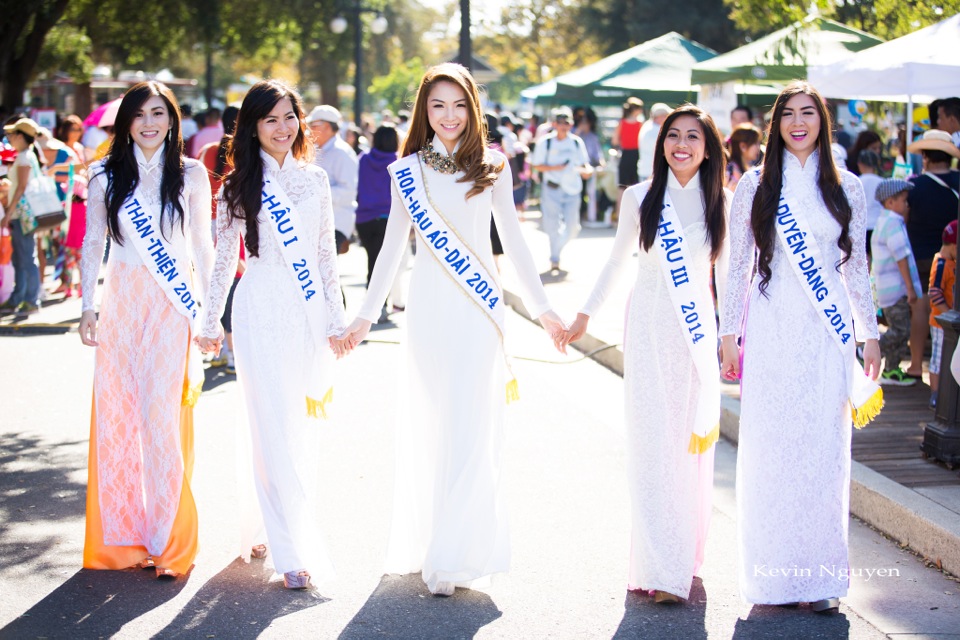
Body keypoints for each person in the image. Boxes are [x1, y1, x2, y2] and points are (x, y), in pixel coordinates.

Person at [338, 63, 565, 597]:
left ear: (473, 108)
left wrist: (545, 308)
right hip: (429, 309)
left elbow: (512, 238)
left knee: (472, 424)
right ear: (424, 110)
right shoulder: (408, 170)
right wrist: (364, 317)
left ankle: (458, 554)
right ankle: (434, 543)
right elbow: (394, 247)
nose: (449, 116)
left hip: (479, 312)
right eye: (438, 105)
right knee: (434, 422)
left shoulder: (493, 165)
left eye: (458, 104)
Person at [718, 81, 881, 612]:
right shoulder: (756, 185)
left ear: (823, 120)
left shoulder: (848, 187)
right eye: (787, 114)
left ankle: (819, 580)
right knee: (770, 452)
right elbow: (737, 263)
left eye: (808, 113)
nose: (798, 122)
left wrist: (869, 332)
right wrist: (728, 332)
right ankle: (772, 578)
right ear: (774, 123)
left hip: (826, 338)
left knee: (823, 455)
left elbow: (855, 265)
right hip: (771, 329)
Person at [561, 104, 729, 604]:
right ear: (660, 144)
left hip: (695, 335)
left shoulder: (722, 200)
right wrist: (585, 315)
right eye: (672, 135)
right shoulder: (639, 197)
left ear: (707, 146)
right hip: (650, 324)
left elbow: (725, 276)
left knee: (688, 444)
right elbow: (616, 260)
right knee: (652, 445)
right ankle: (660, 565)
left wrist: (728, 337)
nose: (681, 144)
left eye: (692, 137)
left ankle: (683, 554)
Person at [196, 80, 347, 591]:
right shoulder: (238, 184)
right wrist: (210, 320)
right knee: (267, 421)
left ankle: (264, 522)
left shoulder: (316, 181)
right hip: (259, 307)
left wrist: (336, 320)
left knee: (297, 423)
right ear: (253, 127)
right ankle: (290, 550)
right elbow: (222, 261)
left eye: (289, 118)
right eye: (270, 120)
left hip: (304, 314)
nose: (283, 129)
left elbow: (325, 256)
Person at [78, 81, 214, 579]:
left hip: (170, 307)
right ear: (126, 122)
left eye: (159, 112)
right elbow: (94, 242)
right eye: (139, 114)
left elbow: (203, 245)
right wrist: (87, 306)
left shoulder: (192, 174)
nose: (149, 122)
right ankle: (123, 540)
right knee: (117, 420)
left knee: (161, 421)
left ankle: (168, 541)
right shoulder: (103, 175)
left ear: (173, 118)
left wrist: (208, 311)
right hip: (120, 305)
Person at [905, 130, 960, 380]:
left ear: (925, 156)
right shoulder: (958, 181)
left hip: (920, 256)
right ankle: (948, 369)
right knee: (951, 307)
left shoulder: (914, 185)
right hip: (953, 257)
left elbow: (904, 219)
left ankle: (917, 364)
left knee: (921, 307)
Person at [198, 105, 241, 372]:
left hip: (210, 221)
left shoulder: (209, 150)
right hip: (232, 220)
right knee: (232, 283)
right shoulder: (242, 150)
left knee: (216, 283)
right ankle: (230, 350)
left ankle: (219, 350)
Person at [871, 178, 921, 386]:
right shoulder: (892, 224)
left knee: (900, 328)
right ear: (890, 202)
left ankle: (891, 369)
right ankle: (868, 352)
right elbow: (901, 256)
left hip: (888, 288)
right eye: (903, 200)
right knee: (900, 329)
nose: (906, 205)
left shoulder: (887, 221)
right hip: (895, 288)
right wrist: (909, 287)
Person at [530, 106, 593, 272]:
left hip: (572, 189)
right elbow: (537, 165)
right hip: (552, 188)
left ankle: (556, 251)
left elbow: (584, 164)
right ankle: (555, 257)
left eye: (567, 123)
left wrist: (587, 171)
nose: (564, 126)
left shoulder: (576, 142)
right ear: (554, 124)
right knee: (552, 226)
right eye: (560, 122)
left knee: (573, 227)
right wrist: (556, 167)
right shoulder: (546, 142)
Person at [0, 118, 44, 314]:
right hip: (22, 214)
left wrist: (8, 212)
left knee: (25, 257)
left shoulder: (25, 157)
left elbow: (21, 187)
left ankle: (31, 300)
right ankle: (19, 298)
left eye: (11, 135)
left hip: (23, 214)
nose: (9, 138)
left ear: (20, 135)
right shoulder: (25, 155)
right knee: (20, 257)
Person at [307, 105, 358, 254]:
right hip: (319, 222)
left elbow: (348, 192)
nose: (309, 129)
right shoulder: (316, 150)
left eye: (313, 125)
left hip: (336, 222)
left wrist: (316, 192)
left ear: (327, 127)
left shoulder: (342, 153)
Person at [355, 124, 399, 286]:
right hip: (389, 218)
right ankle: (379, 301)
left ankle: (373, 295)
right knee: (383, 261)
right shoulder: (398, 162)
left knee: (372, 257)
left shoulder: (363, 159)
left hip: (364, 218)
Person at [929, 220, 957, 408]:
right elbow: (935, 293)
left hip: (951, 322)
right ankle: (935, 394)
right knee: (938, 359)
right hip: (940, 323)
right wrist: (949, 315)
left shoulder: (951, 263)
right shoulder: (941, 264)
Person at [575, 108, 605, 226]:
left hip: (589, 168)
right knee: (578, 192)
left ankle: (587, 213)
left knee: (590, 192)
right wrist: (578, 130)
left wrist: (601, 163)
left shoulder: (593, 137)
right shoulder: (574, 134)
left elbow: (598, 154)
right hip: (576, 168)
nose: (585, 125)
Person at [857, 149, 884, 258]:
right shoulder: (882, 182)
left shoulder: (857, 182)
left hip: (862, 226)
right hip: (879, 225)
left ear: (860, 164)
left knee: (865, 259)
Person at [613, 97, 643, 189]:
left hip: (625, 155)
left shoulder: (621, 123)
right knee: (636, 186)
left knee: (622, 186)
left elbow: (615, 141)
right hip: (636, 156)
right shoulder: (640, 124)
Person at [638, 103, 670, 182]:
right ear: (659, 117)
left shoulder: (648, 126)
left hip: (648, 171)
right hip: (651, 172)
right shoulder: (654, 131)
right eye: (666, 115)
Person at [725, 123, 762, 190]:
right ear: (743, 146)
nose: (758, 148)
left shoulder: (750, 169)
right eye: (755, 143)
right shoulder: (729, 171)